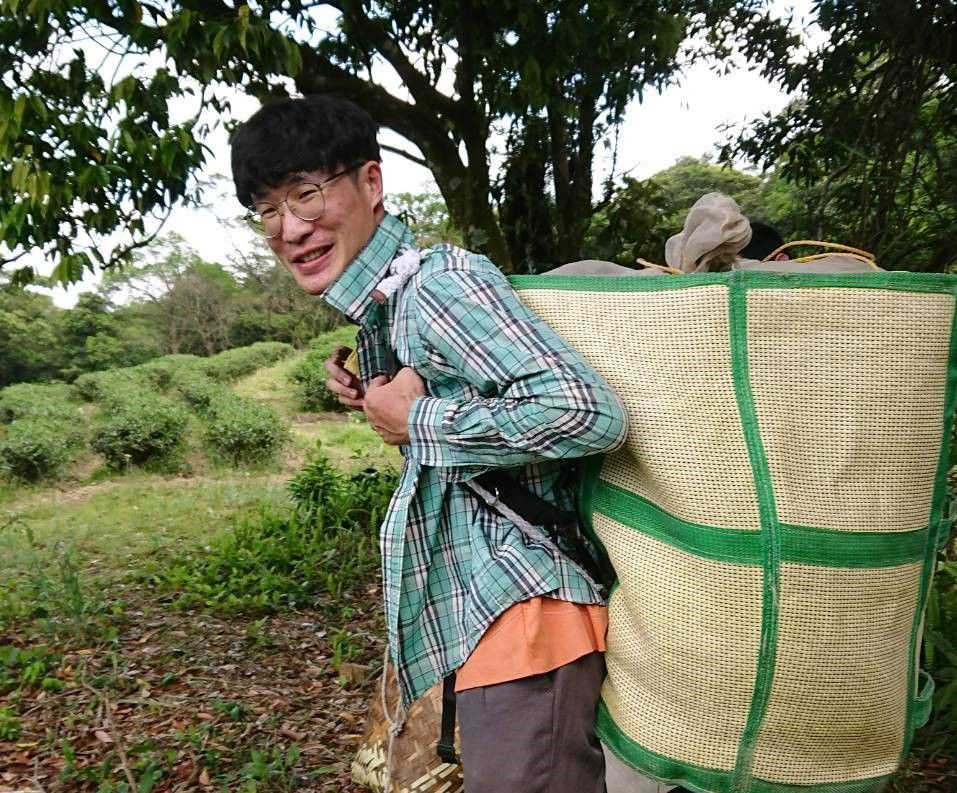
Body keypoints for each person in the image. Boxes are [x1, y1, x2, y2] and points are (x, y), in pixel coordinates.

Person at [230, 94, 627, 793]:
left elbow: (587, 412)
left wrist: (418, 422)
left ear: (371, 184)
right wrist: (389, 413)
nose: (290, 228)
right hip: (490, 623)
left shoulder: (439, 286)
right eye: (268, 209)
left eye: (307, 194)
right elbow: (479, 459)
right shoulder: (390, 303)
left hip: (529, 623)